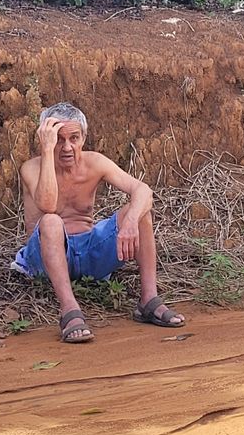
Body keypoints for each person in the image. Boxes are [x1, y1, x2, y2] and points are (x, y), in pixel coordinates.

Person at [14, 102, 185, 343]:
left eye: (74, 138)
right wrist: (47, 150)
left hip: (89, 252)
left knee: (140, 212)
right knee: (51, 221)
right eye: (59, 139)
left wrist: (130, 223)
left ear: (83, 138)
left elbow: (143, 190)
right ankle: (70, 311)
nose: (67, 147)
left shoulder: (94, 162)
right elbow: (48, 205)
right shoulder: (32, 168)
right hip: (44, 258)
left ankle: (148, 300)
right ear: (46, 138)